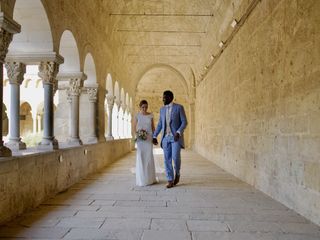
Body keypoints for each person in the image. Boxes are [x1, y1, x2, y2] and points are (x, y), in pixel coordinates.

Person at [153, 90, 187, 188]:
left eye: (165, 97)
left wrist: (178, 132)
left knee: (175, 158)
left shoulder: (179, 108)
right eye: (163, 97)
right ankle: (170, 180)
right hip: (165, 138)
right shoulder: (162, 109)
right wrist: (155, 135)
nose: (163, 99)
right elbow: (160, 124)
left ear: (171, 98)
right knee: (166, 160)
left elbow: (184, 122)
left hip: (175, 138)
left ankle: (178, 173)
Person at [133, 100, 157, 186]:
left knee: (148, 157)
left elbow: (153, 127)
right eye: (143, 107)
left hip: (149, 139)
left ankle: (149, 178)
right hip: (140, 140)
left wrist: (154, 137)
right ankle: (142, 179)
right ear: (140, 107)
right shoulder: (137, 115)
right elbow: (134, 128)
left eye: (146, 107)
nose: (144, 108)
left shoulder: (150, 115)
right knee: (141, 157)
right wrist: (138, 135)